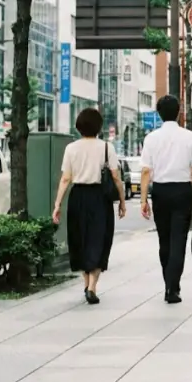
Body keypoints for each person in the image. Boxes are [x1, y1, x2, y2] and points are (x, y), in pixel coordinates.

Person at [53, 108, 126, 305]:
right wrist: (122, 201)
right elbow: (116, 177)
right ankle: (93, 285)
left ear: (79, 126)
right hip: (100, 197)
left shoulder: (71, 148)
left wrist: (57, 204)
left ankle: (86, 284)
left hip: (78, 196)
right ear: (98, 126)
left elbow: (66, 179)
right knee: (99, 239)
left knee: (80, 238)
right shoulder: (106, 148)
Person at [139, 95, 192, 304]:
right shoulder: (190, 137)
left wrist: (143, 199)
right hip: (183, 191)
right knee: (179, 240)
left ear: (159, 114)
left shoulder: (151, 138)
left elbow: (145, 171)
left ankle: (168, 283)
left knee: (164, 240)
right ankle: (173, 287)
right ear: (179, 112)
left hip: (160, 191)